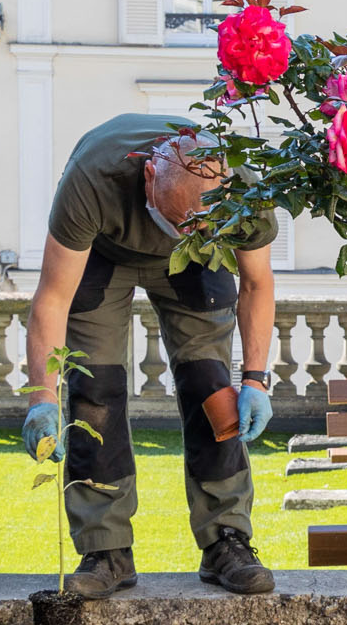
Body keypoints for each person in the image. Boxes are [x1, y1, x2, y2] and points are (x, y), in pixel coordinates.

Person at [21, 115, 278, 598]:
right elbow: (52, 298)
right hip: (104, 252)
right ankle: (105, 548)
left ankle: (226, 539)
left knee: (211, 385)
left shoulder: (243, 190)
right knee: (94, 389)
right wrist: (41, 397)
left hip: (202, 257)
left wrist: (257, 380)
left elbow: (257, 283)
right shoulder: (93, 180)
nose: (174, 238)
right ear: (148, 176)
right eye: (174, 222)